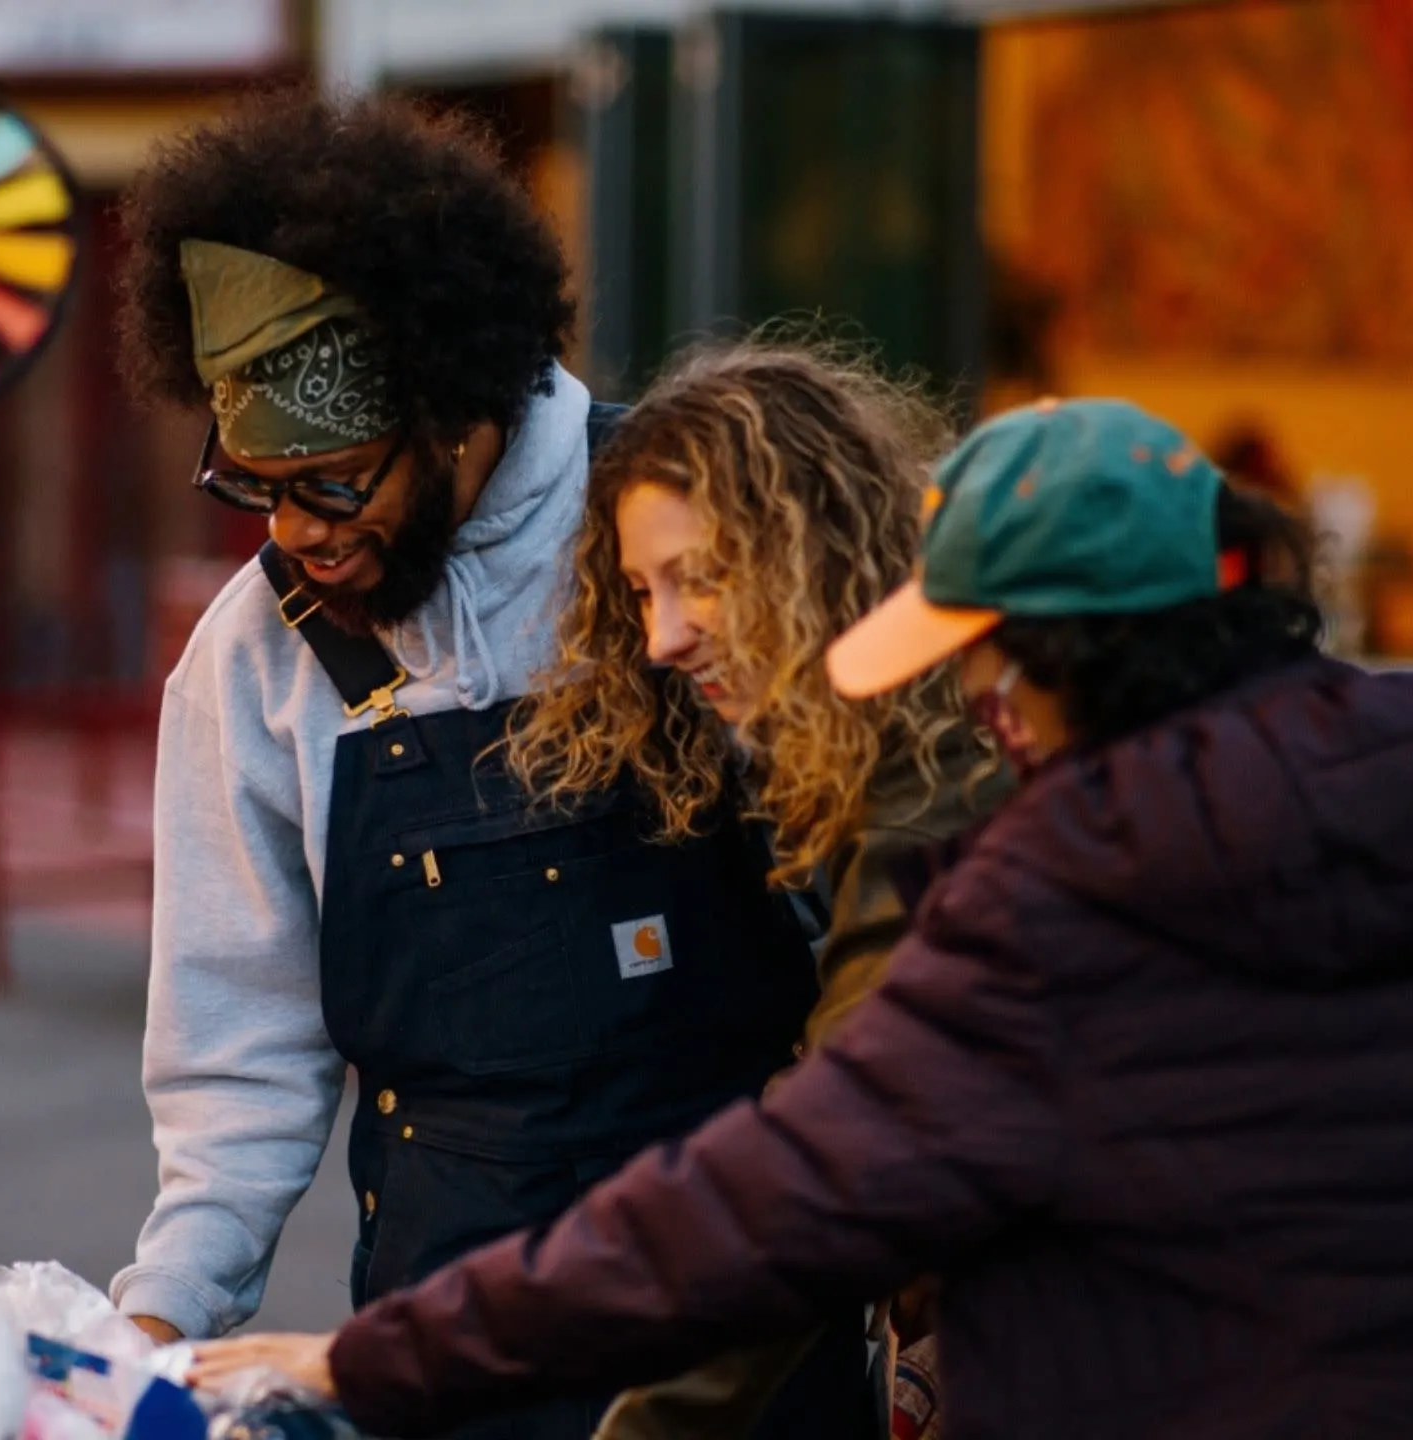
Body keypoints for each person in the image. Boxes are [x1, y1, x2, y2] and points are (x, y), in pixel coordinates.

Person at [190, 398, 1413, 1438]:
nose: (972, 684)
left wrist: (375, 1363)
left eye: (985, 649)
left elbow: (767, 1205)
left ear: (1063, 653)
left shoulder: (1053, 895)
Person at [110, 95, 822, 1439]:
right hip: (447, 1359)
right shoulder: (255, 661)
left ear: (453, 408)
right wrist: (152, 1325)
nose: (294, 533)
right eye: (255, 485)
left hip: (750, 1338)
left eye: (333, 482)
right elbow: (236, 1071)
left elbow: (872, 938)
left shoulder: (678, 548)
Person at [497, 340, 1002, 1439]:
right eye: (641, 592)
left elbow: (831, 1158)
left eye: (705, 578)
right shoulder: (881, 750)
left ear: (813, 552)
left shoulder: (931, 793)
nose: (662, 638)